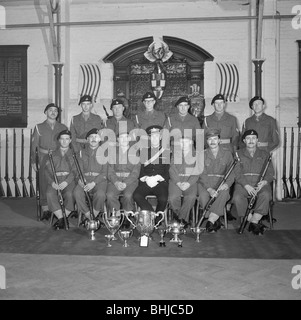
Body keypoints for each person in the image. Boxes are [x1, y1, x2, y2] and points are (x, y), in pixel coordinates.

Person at [232, 129, 274, 235]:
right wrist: (246, 185)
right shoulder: (238, 154)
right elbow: (236, 173)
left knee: (265, 194)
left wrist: (265, 182)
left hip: (260, 183)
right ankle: (252, 221)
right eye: (248, 138)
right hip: (243, 183)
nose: (251, 140)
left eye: (254, 138)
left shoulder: (265, 154)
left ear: (257, 140)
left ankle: (255, 220)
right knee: (237, 197)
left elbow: (270, 173)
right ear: (244, 141)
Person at [31, 103, 68, 221]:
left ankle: (57, 207)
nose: (53, 112)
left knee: (57, 181)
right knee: (43, 182)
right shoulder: (39, 127)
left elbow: (66, 144)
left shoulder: (63, 127)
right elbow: (34, 146)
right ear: (45, 112)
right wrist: (33, 161)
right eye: (50, 110)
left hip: (58, 157)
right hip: (43, 157)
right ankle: (46, 209)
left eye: (55, 110)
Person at [198, 128, 235, 233]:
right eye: (210, 139)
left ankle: (211, 219)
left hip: (221, 182)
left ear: (219, 140)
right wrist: (209, 189)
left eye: (215, 139)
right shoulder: (202, 154)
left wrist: (227, 184)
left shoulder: (227, 154)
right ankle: (215, 218)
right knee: (203, 196)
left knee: (224, 193)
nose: (212, 141)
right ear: (207, 141)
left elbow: (232, 171)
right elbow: (201, 174)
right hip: (205, 183)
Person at [73, 128, 108, 225]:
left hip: (99, 181)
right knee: (77, 193)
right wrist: (80, 179)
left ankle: (94, 215)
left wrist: (93, 183)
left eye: (96, 137)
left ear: (100, 139)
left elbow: (105, 172)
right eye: (91, 137)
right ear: (87, 139)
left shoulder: (105, 153)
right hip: (85, 180)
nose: (93, 139)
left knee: (100, 194)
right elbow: (77, 169)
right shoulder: (81, 153)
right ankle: (89, 215)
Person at [133, 125, 170, 216]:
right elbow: (141, 169)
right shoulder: (144, 152)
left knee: (163, 199)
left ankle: (157, 221)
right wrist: (145, 178)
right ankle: (152, 215)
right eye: (152, 136)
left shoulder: (167, 152)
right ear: (149, 138)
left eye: (156, 136)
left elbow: (167, 170)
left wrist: (158, 178)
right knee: (136, 195)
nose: (154, 139)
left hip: (160, 182)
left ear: (160, 137)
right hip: (146, 181)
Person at [44, 130, 77, 230]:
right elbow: (47, 171)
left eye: (67, 139)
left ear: (70, 140)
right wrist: (52, 183)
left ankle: (63, 218)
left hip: (69, 180)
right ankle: (61, 218)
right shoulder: (52, 154)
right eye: (62, 139)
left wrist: (66, 182)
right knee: (49, 194)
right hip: (55, 180)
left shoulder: (74, 154)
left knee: (70, 194)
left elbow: (75, 171)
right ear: (58, 140)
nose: (64, 141)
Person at [168, 136, 200, 227]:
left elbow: (197, 171)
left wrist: (189, 183)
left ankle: (180, 219)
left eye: (186, 142)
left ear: (191, 143)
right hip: (176, 181)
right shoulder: (175, 154)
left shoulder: (196, 155)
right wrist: (178, 182)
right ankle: (181, 216)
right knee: (173, 197)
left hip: (190, 182)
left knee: (191, 197)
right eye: (181, 142)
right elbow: (172, 169)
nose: (184, 144)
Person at [106, 131, 141, 213]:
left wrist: (126, 183)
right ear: (118, 139)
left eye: (126, 137)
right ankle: (116, 216)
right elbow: (110, 170)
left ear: (129, 139)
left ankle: (127, 215)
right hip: (115, 180)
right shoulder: (112, 152)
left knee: (128, 195)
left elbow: (136, 172)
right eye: (121, 138)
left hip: (130, 181)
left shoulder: (135, 152)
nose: (124, 139)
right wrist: (116, 182)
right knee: (110, 195)